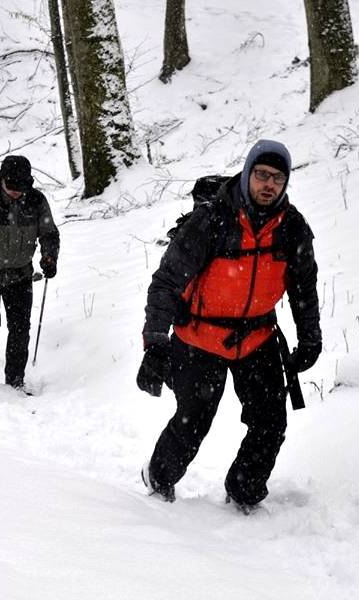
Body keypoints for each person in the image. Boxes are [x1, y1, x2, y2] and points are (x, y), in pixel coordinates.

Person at [137, 139, 321, 513]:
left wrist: (310, 338)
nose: (269, 184)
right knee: (193, 421)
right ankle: (158, 478)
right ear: (248, 173)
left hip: (257, 338)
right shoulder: (212, 220)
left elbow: (304, 288)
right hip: (199, 338)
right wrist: (155, 341)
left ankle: (244, 491)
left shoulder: (292, 228)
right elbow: (167, 282)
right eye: (262, 175)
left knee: (270, 423)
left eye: (278, 178)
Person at [0, 155, 60, 390]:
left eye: (21, 186)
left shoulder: (36, 200)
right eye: (12, 185)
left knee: (20, 328)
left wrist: (49, 256)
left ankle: (15, 378)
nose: (16, 191)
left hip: (20, 274)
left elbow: (48, 232)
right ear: (2, 179)